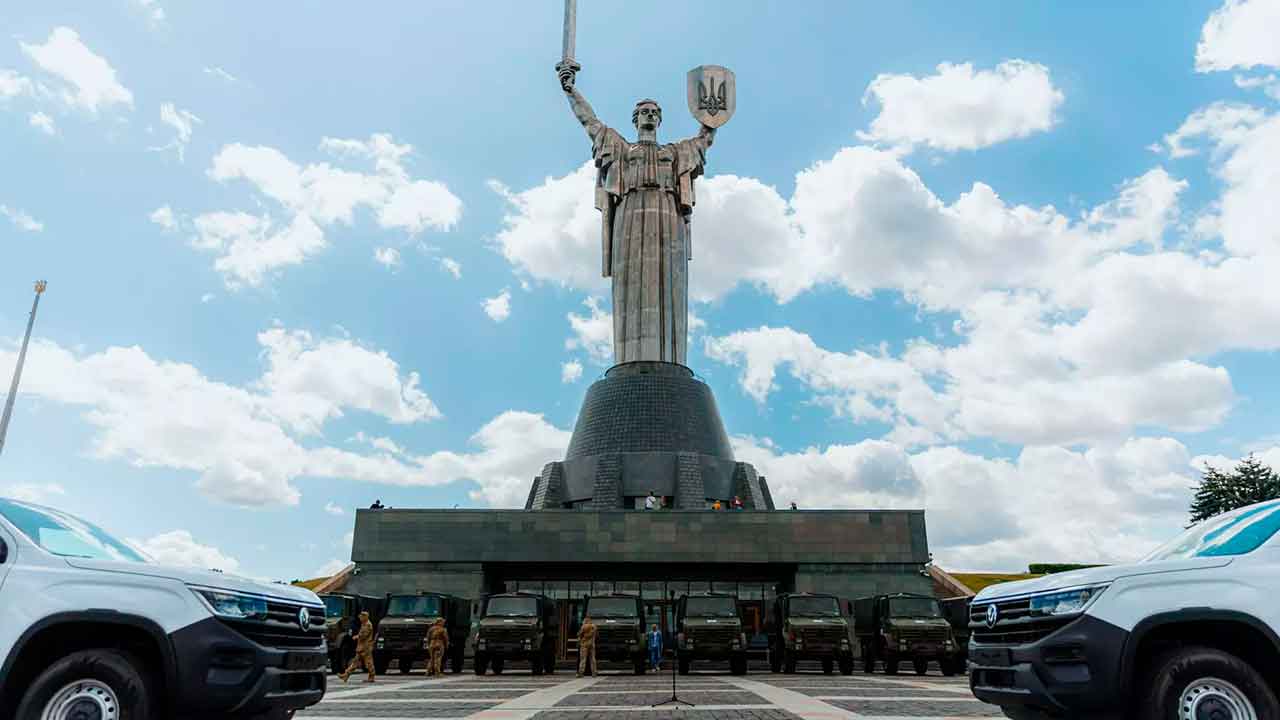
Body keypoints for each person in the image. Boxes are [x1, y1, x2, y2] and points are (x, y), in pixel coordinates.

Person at [339, 611, 376, 683]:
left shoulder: (368, 625)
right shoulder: (364, 624)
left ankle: (371, 676)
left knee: (369, 663)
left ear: (365, 617)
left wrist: (357, 636)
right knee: (355, 662)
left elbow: (364, 635)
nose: (360, 618)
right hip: (361, 647)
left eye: (361, 617)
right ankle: (345, 675)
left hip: (366, 647)